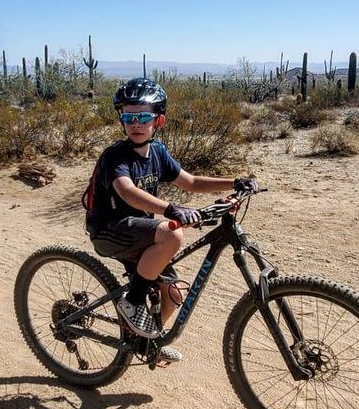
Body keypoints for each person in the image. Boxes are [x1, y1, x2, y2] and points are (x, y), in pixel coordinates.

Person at [85, 77, 257, 357]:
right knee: (172, 233)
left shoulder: (158, 153)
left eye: (143, 117)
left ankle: (147, 340)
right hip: (109, 228)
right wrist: (170, 209)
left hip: (141, 230)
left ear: (159, 121)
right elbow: (127, 192)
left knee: (174, 294)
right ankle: (133, 301)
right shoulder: (115, 156)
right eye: (129, 117)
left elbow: (190, 182)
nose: (136, 124)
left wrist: (234, 182)